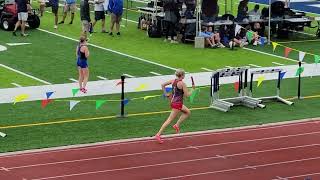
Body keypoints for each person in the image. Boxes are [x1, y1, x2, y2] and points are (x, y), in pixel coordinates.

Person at [155, 69, 194, 144]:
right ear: (182, 75)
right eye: (184, 75)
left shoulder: (173, 81)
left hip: (173, 101)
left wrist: (165, 94)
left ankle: (176, 125)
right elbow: (187, 95)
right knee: (169, 120)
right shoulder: (182, 84)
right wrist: (192, 89)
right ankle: (158, 134)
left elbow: (162, 85)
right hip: (177, 104)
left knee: (188, 112)